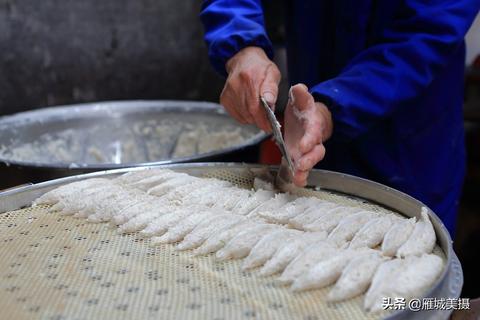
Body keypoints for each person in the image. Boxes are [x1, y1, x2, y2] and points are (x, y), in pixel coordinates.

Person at [200, 0, 480, 235]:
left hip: (409, 142)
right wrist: (241, 44)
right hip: (309, 109)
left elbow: (427, 32)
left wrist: (333, 106)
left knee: (404, 275)